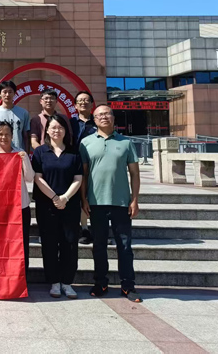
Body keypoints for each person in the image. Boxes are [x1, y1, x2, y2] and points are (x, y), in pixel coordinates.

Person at [80, 104, 142, 302]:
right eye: (99, 115)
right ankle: (101, 282)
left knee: (125, 246)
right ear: (94, 120)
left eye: (107, 113)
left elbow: (134, 173)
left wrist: (135, 200)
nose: (104, 117)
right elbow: (84, 174)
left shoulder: (126, 142)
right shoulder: (86, 143)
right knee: (99, 245)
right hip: (96, 202)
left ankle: (128, 285)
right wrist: (83, 199)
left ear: (113, 118)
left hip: (121, 202)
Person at [32, 114, 83, 299]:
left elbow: (78, 178)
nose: (57, 130)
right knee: (49, 244)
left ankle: (67, 282)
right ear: (47, 130)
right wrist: (54, 197)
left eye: (60, 127)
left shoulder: (74, 152)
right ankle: (54, 282)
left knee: (70, 243)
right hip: (47, 205)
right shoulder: (40, 152)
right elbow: (38, 178)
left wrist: (65, 198)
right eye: (53, 127)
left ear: (65, 131)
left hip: (70, 205)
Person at [0, 121, 35, 274]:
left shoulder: (20, 153)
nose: (4, 137)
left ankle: (21, 276)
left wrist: (24, 160)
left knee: (21, 243)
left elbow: (29, 178)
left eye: (7, 134)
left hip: (20, 207)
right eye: (0, 134)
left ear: (12, 136)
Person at [70, 90, 97, 245]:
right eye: (80, 101)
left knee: (94, 195)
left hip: (95, 164)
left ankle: (98, 228)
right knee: (80, 196)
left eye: (86, 100)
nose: (83, 103)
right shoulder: (70, 123)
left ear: (92, 104)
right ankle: (84, 228)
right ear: (75, 105)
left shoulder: (98, 121)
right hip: (76, 164)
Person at [0, 80, 30, 152]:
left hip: (18, 153)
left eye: (10, 92)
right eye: (4, 92)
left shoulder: (23, 113)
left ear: (14, 93)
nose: (7, 95)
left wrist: (26, 154)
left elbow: (26, 137)